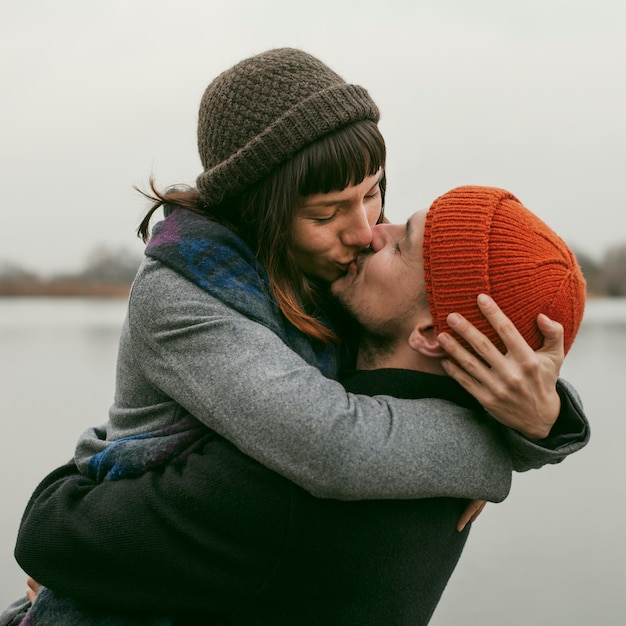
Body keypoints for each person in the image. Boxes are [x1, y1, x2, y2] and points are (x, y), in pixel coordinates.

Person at [1, 48, 589, 624]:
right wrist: (498, 446)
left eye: (373, 191)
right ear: (264, 212)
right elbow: (334, 445)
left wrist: (539, 417)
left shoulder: (339, 262)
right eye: (327, 213)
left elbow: (452, 316)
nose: (366, 231)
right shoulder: (184, 295)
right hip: (129, 530)